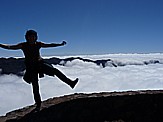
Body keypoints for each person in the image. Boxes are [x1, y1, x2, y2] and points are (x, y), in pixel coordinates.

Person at [0, 29, 78, 111]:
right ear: (27, 37)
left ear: (35, 37)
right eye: (30, 37)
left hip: (40, 64)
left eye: (33, 37)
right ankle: (38, 104)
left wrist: (60, 44)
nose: (31, 38)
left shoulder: (38, 44)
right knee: (35, 86)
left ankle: (70, 83)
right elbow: (10, 47)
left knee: (55, 71)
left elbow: (49, 45)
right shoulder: (23, 45)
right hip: (31, 68)